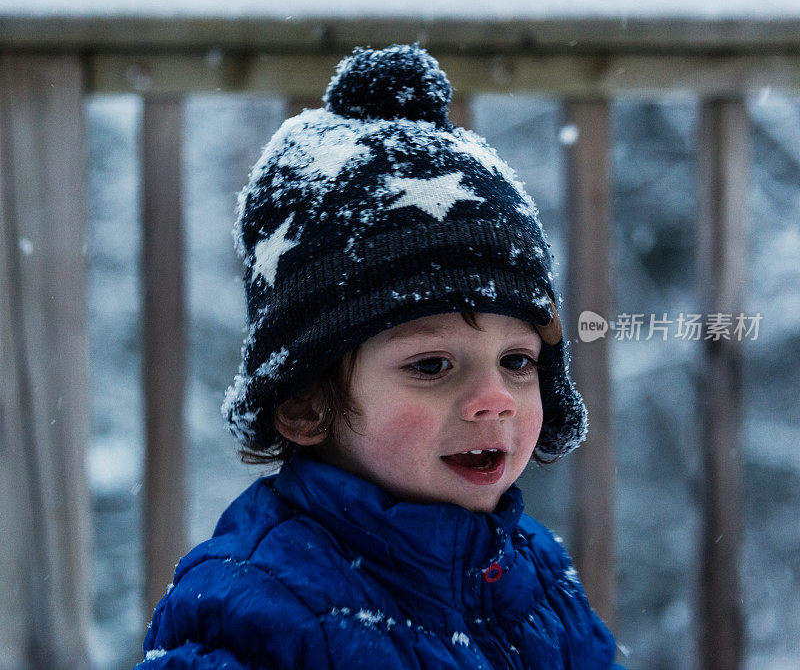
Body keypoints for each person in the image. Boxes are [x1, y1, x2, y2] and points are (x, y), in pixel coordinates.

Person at [137, 43, 624, 669]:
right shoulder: (259, 611)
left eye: (517, 362)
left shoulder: (537, 574)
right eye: (431, 366)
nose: (496, 399)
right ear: (305, 403)